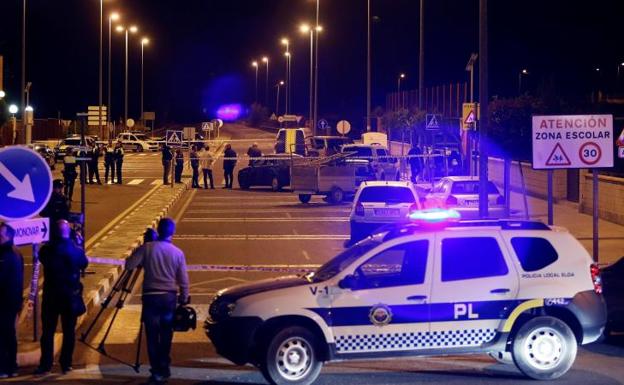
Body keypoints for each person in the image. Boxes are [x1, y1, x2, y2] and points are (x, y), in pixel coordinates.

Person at [125, 218, 189, 383]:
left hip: (151, 297)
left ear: (158, 230)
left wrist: (142, 248)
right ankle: (164, 365)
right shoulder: (177, 252)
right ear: (172, 232)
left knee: (152, 335)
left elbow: (129, 265)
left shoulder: (147, 248)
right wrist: (183, 297)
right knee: (166, 333)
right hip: (169, 298)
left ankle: (156, 370)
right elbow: (183, 279)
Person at [35, 220, 88, 375]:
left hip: (51, 297)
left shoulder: (47, 250)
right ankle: (66, 363)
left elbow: (42, 257)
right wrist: (77, 243)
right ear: (68, 232)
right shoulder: (75, 250)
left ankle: (45, 364)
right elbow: (84, 264)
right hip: (70, 297)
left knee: (48, 332)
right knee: (69, 331)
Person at [0, 224, 24, 379]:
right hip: (13, 302)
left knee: (3, 336)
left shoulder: (6, 255)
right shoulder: (16, 253)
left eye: (0, 235)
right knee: (9, 335)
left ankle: (4, 368)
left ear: (8, 236)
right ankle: (12, 366)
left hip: (5, 303)